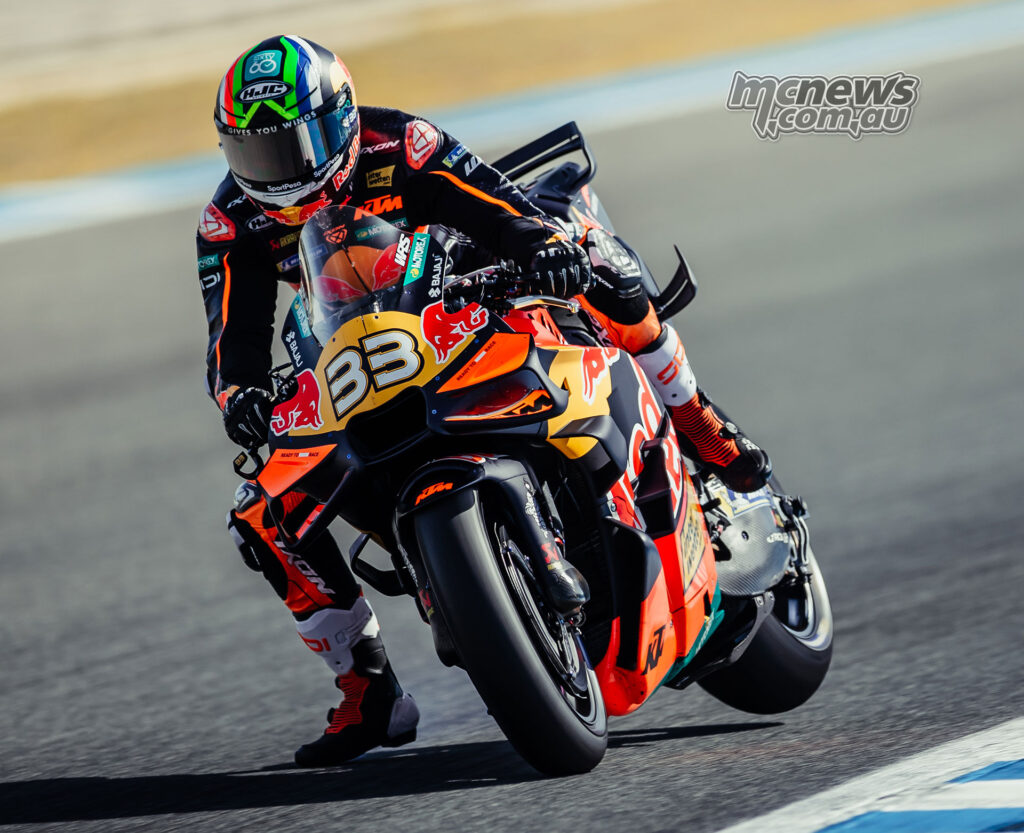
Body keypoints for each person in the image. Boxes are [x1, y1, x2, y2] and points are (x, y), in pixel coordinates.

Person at [197, 35, 771, 767]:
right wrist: (241, 392)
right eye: (255, 156)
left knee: (604, 273)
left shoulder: (399, 142)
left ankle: (698, 419)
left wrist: (542, 248)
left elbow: (496, 206)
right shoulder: (230, 222)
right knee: (261, 513)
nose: (275, 174)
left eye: (290, 147)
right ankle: (366, 684)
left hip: (458, 291)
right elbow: (233, 335)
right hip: (350, 352)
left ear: (338, 122)